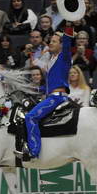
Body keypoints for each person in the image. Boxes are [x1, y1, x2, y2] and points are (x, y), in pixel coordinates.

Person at [17, 24, 74, 161]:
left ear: (61, 45)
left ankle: (34, 152)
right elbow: (49, 85)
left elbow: (67, 43)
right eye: (50, 41)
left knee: (30, 117)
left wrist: (69, 24)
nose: (50, 43)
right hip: (51, 95)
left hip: (57, 98)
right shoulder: (51, 60)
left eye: (54, 41)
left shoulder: (64, 57)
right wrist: (32, 89)